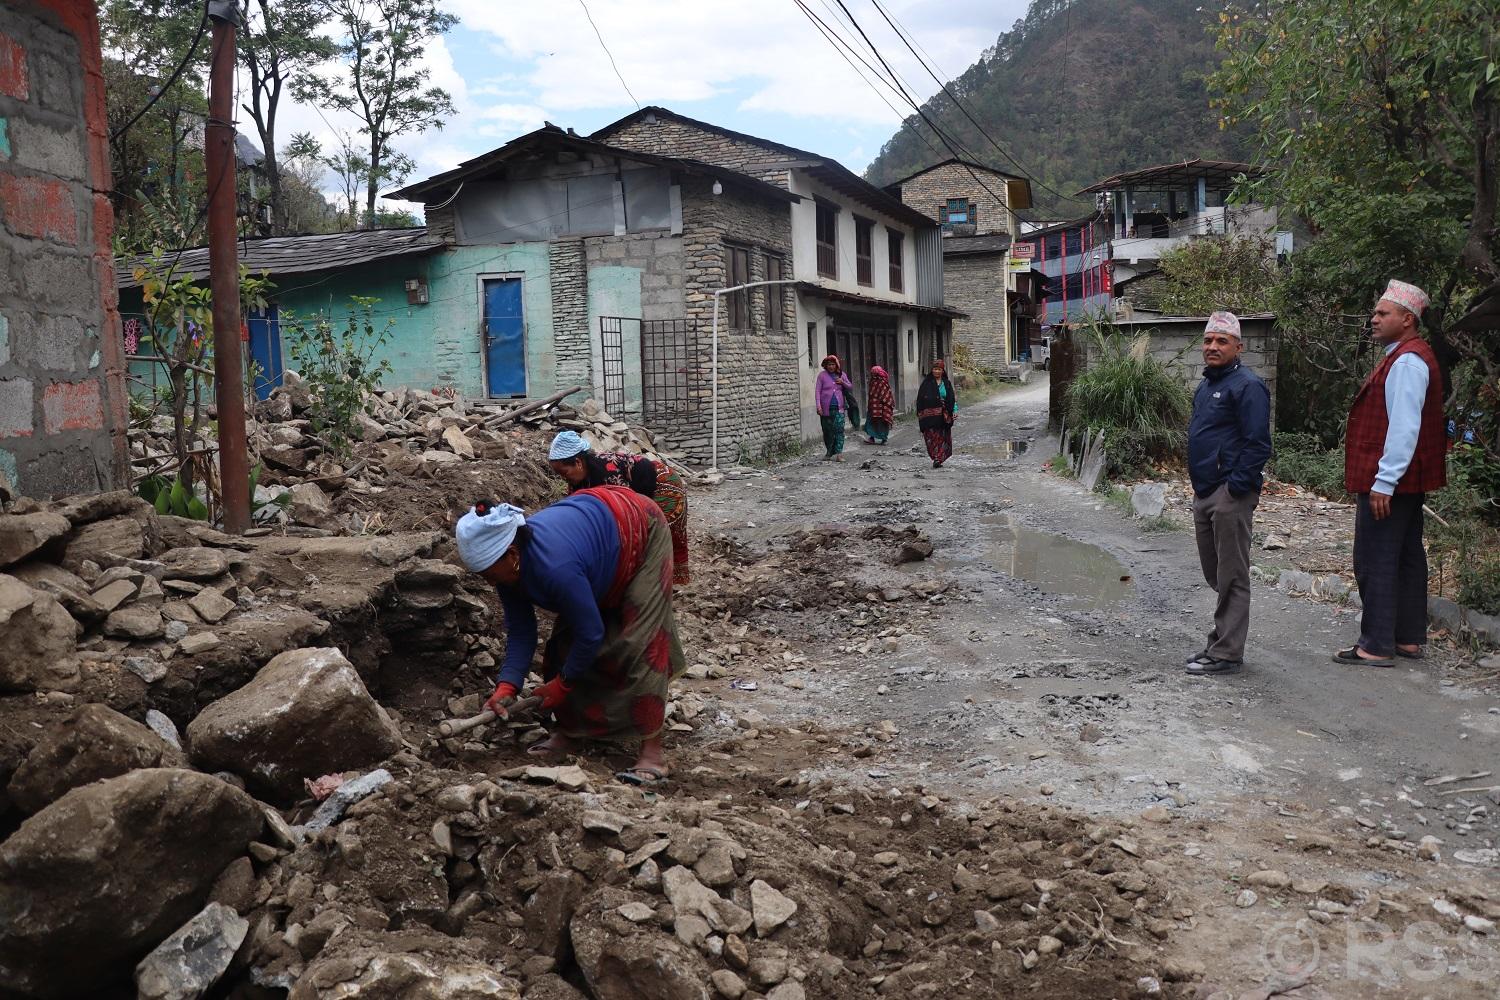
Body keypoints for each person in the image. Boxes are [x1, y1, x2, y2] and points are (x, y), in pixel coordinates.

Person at [454, 490, 685, 785]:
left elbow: (590, 633)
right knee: (562, 647)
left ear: (512, 554)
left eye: (489, 575)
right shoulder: (508, 567)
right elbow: (522, 629)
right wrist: (507, 684)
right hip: (595, 543)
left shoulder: (554, 567)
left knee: (639, 643)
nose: (490, 582)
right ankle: (572, 732)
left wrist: (563, 685)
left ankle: (652, 752)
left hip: (640, 526)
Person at [1335, 280, 1446, 668]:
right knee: (1405, 556)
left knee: (1376, 557)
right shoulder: (1405, 355)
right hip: (1404, 482)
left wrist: (1384, 481)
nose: (1374, 318)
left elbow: (1404, 427)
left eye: (1383, 313)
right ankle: (1408, 638)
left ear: (1408, 320)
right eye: (1376, 312)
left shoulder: (1408, 361)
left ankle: (1377, 644)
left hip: (1390, 483)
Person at [1183, 311, 1272, 676]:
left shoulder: (1248, 386)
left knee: (1232, 575)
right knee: (1216, 573)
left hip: (1229, 494)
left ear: (1239, 346)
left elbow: (1258, 444)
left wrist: (1235, 487)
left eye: (1221, 341)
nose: (1213, 347)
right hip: (1205, 491)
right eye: (1208, 340)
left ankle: (1227, 652)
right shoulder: (1206, 387)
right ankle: (1221, 640)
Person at [548, 430, 691, 585]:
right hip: (640, 493)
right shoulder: (578, 481)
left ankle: (666, 583)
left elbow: (624, 514)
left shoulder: (607, 474)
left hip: (663, 485)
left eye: (564, 472)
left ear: (578, 462)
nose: (564, 478)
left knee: (660, 535)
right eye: (559, 475)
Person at [915, 358, 957, 467]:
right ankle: (935, 456)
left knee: (942, 437)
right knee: (931, 437)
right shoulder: (926, 383)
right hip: (929, 418)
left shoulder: (946, 384)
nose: (936, 371)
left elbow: (951, 398)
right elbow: (920, 399)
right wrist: (920, 413)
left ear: (942, 371)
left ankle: (938, 458)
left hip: (943, 416)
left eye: (939, 369)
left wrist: (954, 410)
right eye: (934, 369)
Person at [815, 355, 853, 461]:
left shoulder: (841, 375)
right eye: (829, 365)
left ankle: (839, 454)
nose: (831, 366)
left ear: (836, 365)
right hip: (825, 409)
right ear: (825, 366)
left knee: (839, 430)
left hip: (839, 408)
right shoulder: (821, 376)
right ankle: (829, 452)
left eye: (833, 364)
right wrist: (818, 406)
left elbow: (850, 387)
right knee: (827, 431)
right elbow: (817, 392)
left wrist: (843, 382)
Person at [863, 365, 895, 444]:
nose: (872, 375)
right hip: (873, 406)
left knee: (882, 423)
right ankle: (872, 438)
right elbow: (872, 394)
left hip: (882, 408)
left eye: (873, 373)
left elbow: (886, 395)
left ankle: (884, 439)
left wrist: (885, 405)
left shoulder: (883, 382)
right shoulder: (872, 381)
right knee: (871, 422)